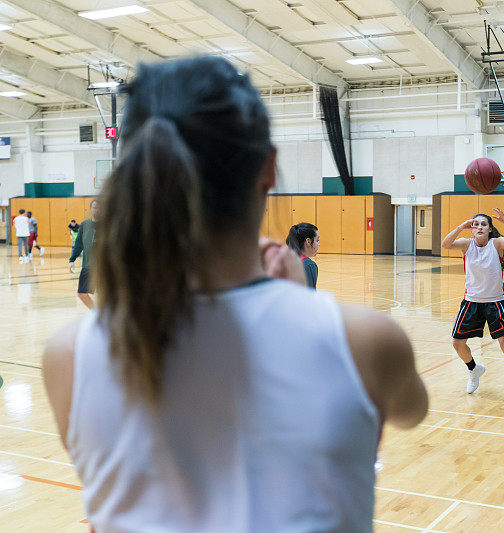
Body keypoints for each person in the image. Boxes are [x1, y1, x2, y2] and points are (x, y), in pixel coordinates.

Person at [42, 56, 427, 533]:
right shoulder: (365, 341)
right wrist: (301, 307)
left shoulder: (68, 356)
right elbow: (412, 411)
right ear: (268, 167)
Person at [441, 208, 504, 407]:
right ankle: (474, 369)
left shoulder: (496, 244)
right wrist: (459, 228)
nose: (479, 227)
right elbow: (445, 245)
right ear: (472, 229)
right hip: (471, 301)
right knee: (457, 344)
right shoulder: (466, 244)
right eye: (476, 224)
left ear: (490, 229)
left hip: (495, 302)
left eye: (484, 224)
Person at [69, 200, 98, 309]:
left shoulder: (107, 224)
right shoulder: (85, 224)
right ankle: (96, 313)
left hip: (103, 266)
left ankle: (106, 317)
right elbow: (79, 244)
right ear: (90, 208)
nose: (97, 210)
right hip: (88, 265)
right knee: (82, 294)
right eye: (95, 207)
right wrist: (72, 260)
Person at [286, 222, 320, 289]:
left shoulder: (284, 260)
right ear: (308, 242)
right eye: (317, 240)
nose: (319, 244)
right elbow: (308, 296)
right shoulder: (308, 265)